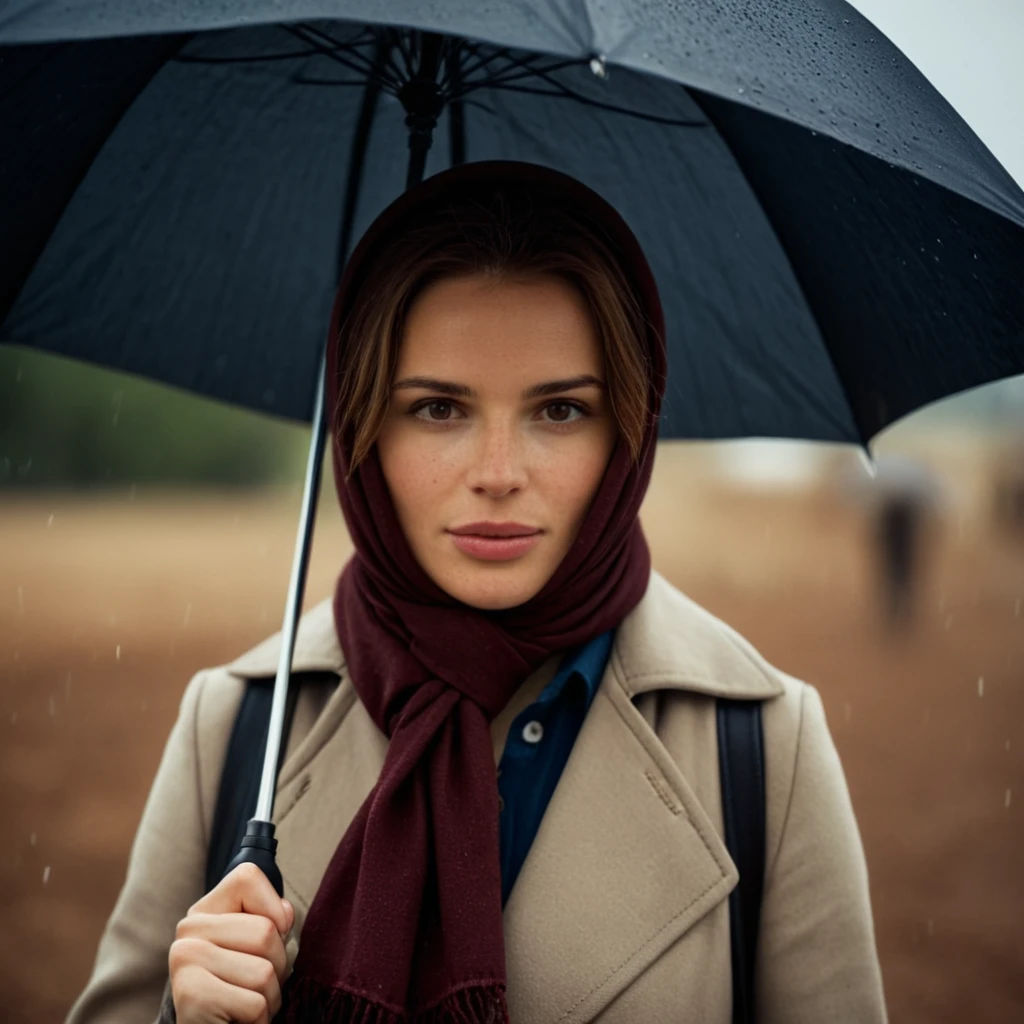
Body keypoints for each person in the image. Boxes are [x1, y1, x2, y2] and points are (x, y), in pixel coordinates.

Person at [66, 162, 887, 1024]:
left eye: (559, 410)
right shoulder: (235, 726)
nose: (498, 474)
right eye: (438, 408)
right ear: (362, 427)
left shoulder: (763, 744)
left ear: (627, 433)